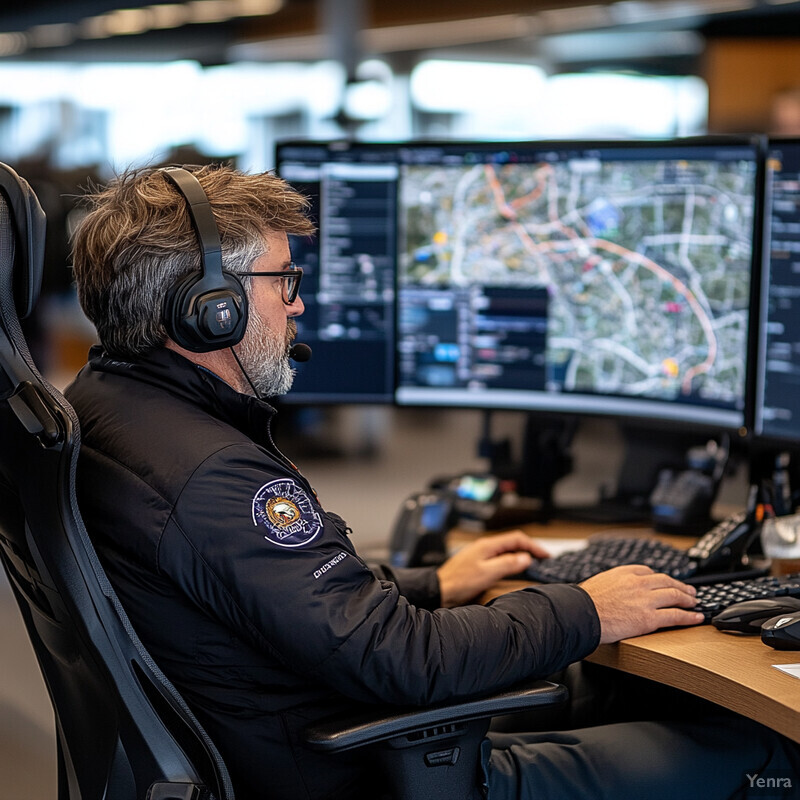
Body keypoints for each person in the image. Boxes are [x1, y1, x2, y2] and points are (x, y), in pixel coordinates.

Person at [65, 164, 798, 800]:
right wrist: (585, 609)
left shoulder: (109, 410)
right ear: (208, 306)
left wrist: (432, 585)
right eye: (282, 278)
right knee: (761, 751)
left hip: (303, 736)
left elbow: (274, 596)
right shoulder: (216, 477)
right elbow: (398, 661)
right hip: (369, 770)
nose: (298, 302)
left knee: (605, 687)